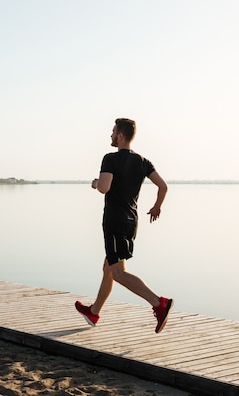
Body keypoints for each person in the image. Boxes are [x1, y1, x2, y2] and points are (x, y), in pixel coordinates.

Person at [75, 118, 173, 333]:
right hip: (131, 221)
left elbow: (103, 187)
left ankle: (159, 303)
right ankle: (94, 311)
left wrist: (94, 183)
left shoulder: (110, 159)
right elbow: (163, 186)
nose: (110, 135)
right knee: (108, 267)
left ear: (120, 135)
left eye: (112, 132)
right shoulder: (143, 161)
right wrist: (157, 206)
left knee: (118, 272)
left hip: (114, 222)